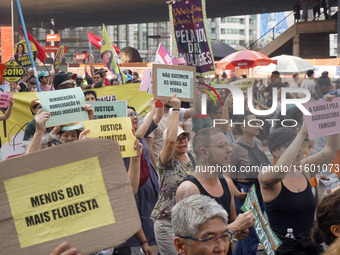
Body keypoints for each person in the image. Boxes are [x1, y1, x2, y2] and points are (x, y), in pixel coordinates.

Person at [258, 122, 340, 254]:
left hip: (311, 247)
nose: (299, 150)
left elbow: (331, 148)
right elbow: (279, 172)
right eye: (290, 146)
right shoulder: (266, 174)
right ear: (275, 152)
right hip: (284, 250)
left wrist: (332, 118)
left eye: (300, 145)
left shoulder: (304, 169)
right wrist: (302, 133)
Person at [176, 127, 256, 254]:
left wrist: (239, 229)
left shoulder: (226, 182)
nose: (229, 150)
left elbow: (232, 223)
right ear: (204, 152)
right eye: (221, 146)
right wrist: (235, 227)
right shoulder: (189, 189)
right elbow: (193, 238)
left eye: (228, 145)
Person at [151, 95, 194, 255]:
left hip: (189, 223)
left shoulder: (192, 159)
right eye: (177, 139)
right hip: (167, 223)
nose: (182, 141)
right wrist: (176, 109)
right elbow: (168, 142)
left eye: (184, 137)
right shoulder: (165, 161)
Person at [229, 112, 271, 255]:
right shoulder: (235, 148)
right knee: (250, 232)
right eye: (253, 122)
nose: (257, 125)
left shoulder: (258, 143)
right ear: (243, 127)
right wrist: (237, 193)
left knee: (252, 232)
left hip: (260, 189)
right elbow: (227, 175)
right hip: (245, 192)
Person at [124, 102, 162, 255]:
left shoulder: (143, 131)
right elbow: (138, 135)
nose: (134, 117)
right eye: (129, 115)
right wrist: (152, 109)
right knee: (145, 223)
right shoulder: (126, 138)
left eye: (135, 114)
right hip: (138, 190)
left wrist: (158, 100)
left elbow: (158, 115)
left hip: (151, 187)